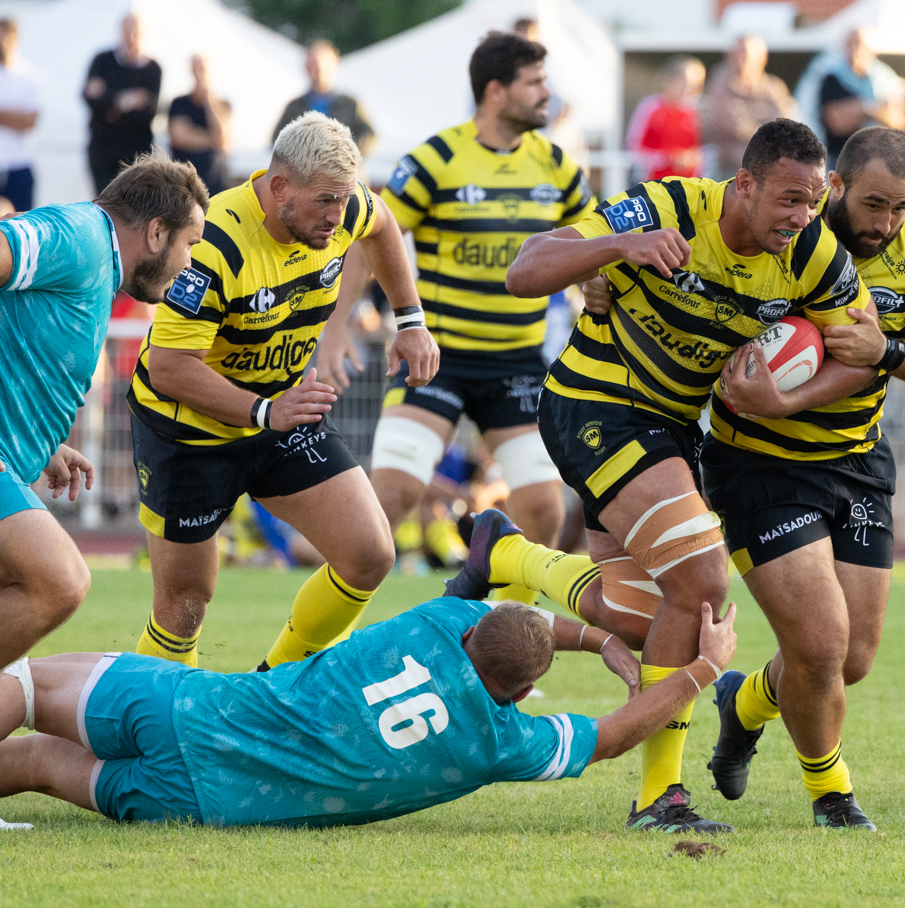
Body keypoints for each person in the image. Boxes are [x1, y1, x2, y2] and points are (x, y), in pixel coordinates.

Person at [503, 118, 881, 832]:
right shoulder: (670, 208)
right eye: (789, 199)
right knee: (701, 581)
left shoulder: (812, 257)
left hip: (670, 432)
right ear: (744, 184)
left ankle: (511, 555)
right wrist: (620, 248)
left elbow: (860, 350)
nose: (801, 216)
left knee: (641, 616)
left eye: (813, 200)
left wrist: (789, 396)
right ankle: (659, 797)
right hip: (597, 402)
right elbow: (524, 270)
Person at [0, 558, 739, 830]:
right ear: (528, 690)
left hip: (190, 707)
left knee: (26, 686)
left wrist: (595, 634)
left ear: (468, 635)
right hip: (199, 804)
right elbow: (610, 736)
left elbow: (506, 618)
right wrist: (699, 670)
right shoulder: (503, 742)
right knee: (35, 761)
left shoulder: (435, 621)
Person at [699, 127, 905, 830]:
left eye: (903, 207)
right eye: (875, 204)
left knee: (847, 659)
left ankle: (744, 704)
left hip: (857, 461)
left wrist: (888, 348)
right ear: (836, 187)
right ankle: (833, 794)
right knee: (819, 645)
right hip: (760, 463)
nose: (886, 223)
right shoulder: (781, 233)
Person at [125, 113, 439, 672]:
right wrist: (264, 411)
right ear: (278, 188)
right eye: (324, 202)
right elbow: (170, 368)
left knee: (370, 554)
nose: (337, 217)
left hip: (281, 412)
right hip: (188, 427)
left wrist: (410, 320)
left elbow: (384, 223)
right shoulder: (212, 241)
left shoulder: (341, 208)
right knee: (185, 605)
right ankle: (157, 735)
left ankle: (276, 688)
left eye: (344, 201)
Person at [320, 32, 594, 604]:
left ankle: (498, 644)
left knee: (543, 509)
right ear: (496, 92)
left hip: (517, 363)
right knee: (388, 501)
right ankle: (320, 651)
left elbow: (596, 243)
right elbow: (371, 234)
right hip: (436, 359)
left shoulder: (559, 168)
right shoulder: (436, 159)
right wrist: (337, 323)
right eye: (535, 83)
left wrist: (598, 283)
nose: (548, 94)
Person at [0, 157, 208, 675]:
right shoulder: (82, 234)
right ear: (157, 232)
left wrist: (41, 442)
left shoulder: (95, 260)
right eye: (191, 245)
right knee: (59, 580)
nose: (190, 264)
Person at [82, 13, 161, 195]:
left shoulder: (153, 69)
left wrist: (110, 103)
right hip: (103, 152)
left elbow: (149, 111)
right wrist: (128, 100)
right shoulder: (102, 60)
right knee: (104, 203)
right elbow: (90, 99)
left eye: (137, 33)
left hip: (136, 155)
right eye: (128, 32)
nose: (132, 38)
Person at [702, 35, 797, 181]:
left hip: (768, 173)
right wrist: (768, 130)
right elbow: (731, 125)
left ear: (762, 59)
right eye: (735, 54)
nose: (739, 59)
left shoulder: (774, 88)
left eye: (745, 55)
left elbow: (788, 127)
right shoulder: (720, 84)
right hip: (730, 171)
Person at [809, 29, 905, 164]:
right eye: (851, 44)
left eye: (860, 44)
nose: (856, 50)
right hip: (844, 160)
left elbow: (899, 123)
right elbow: (836, 122)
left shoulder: (885, 79)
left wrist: (858, 110)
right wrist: (875, 109)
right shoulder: (832, 78)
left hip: (880, 160)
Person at [273, 41, 374, 155]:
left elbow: (370, 136)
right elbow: (277, 141)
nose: (316, 71)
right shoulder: (294, 106)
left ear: (334, 65)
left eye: (319, 65)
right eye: (311, 65)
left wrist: (343, 153)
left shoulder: (350, 104)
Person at [626, 56, 705, 181]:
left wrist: (692, 159)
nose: (688, 89)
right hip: (653, 185)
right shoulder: (649, 107)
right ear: (669, 80)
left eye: (695, 84)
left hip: (687, 187)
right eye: (683, 82)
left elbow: (701, 150)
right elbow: (633, 147)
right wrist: (668, 159)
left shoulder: (694, 111)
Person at [167, 55, 230, 194]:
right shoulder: (179, 103)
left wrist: (208, 101)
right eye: (196, 69)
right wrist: (212, 139)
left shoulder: (222, 104)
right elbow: (180, 138)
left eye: (203, 69)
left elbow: (223, 139)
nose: (199, 74)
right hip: (184, 181)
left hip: (215, 182)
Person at [0, 20, 38, 212]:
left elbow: (29, 121)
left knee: (20, 223)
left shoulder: (28, 74)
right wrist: (12, 116)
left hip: (18, 164)